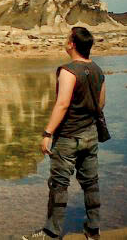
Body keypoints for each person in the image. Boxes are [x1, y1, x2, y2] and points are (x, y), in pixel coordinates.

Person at [21, 27, 106, 240]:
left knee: (59, 184)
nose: (65, 40)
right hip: (90, 135)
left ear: (72, 44)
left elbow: (62, 104)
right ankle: (93, 230)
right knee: (91, 182)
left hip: (68, 137)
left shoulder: (68, 71)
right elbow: (101, 103)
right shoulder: (98, 70)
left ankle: (51, 233)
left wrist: (47, 132)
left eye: (67, 38)